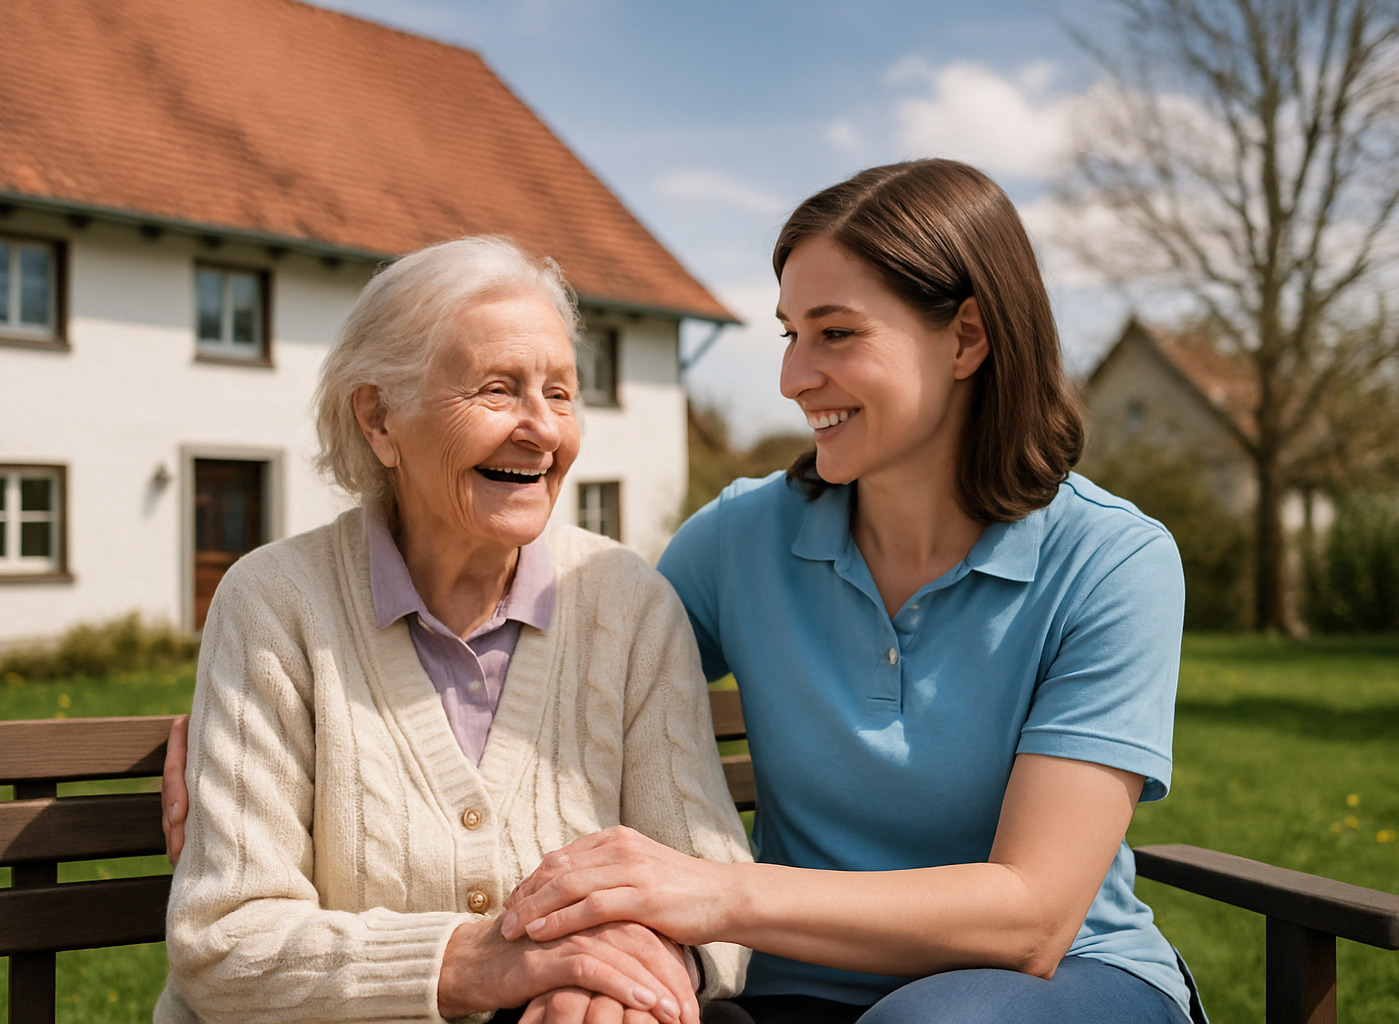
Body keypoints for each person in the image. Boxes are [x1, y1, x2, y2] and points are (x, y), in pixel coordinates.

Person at [498, 160, 1204, 1024]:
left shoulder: (1110, 560)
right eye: (791, 334)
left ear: (968, 338)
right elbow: (580, 712)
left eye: (836, 334)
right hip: (797, 989)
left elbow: (1033, 916)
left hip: (1055, 986)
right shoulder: (738, 540)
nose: (794, 378)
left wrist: (719, 895)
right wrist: (613, 953)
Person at [154, 236, 751, 1024]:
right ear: (379, 419)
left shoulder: (627, 602)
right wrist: (474, 962)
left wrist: (625, 983)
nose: (542, 429)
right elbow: (225, 943)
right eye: (498, 390)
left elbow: (715, 892)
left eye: (563, 394)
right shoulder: (274, 604)